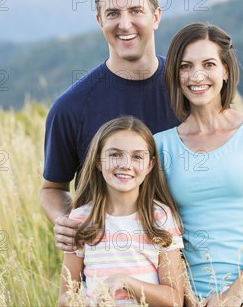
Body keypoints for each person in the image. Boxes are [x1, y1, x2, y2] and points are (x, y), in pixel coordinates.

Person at [40, 0, 243, 252]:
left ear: (156, 16)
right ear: (100, 20)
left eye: (136, 10)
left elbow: (233, 145)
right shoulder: (71, 107)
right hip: (107, 272)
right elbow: (53, 188)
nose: (125, 24)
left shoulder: (191, 87)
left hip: (186, 273)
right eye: (113, 13)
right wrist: (65, 221)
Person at [153, 23, 243, 307]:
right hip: (198, 300)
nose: (197, 76)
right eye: (185, 66)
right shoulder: (160, 146)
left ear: (226, 70)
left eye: (209, 64)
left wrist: (234, 295)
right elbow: (161, 233)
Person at [58, 116, 185, 307]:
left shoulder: (160, 217)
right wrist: (86, 302)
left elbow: (174, 299)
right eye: (115, 155)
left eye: (137, 156)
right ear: (99, 162)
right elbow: (65, 297)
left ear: (149, 165)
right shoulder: (81, 219)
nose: (125, 164)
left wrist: (125, 282)